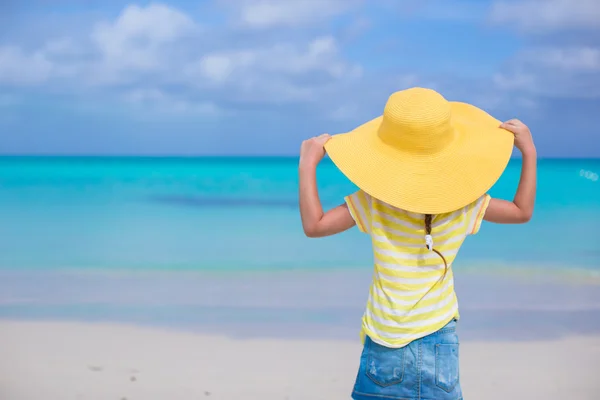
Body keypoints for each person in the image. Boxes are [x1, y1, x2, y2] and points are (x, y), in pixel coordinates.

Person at [298, 87, 536, 400]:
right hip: (440, 338)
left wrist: (307, 165)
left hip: (385, 339)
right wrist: (528, 152)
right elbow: (521, 212)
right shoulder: (465, 204)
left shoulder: (374, 203)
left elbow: (314, 226)